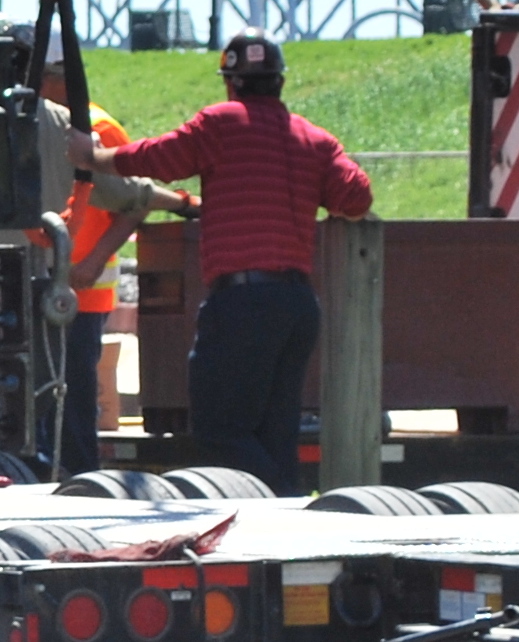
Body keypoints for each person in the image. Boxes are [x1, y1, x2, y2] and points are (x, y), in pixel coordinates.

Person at [109, 33, 373, 489]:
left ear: (231, 83)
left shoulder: (220, 124)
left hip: (242, 302)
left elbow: (159, 158)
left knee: (219, 430)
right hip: (297, 305)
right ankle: (287, 510)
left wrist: (95, 156)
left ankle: (275, 501)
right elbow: (357, 197)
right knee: (276, 435)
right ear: (280, 82)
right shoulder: (314, 139)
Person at [0, 21, 180, 479]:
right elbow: (130, 193)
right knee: (50, 415)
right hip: (43, 303)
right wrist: (186, 204)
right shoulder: (61, 126)